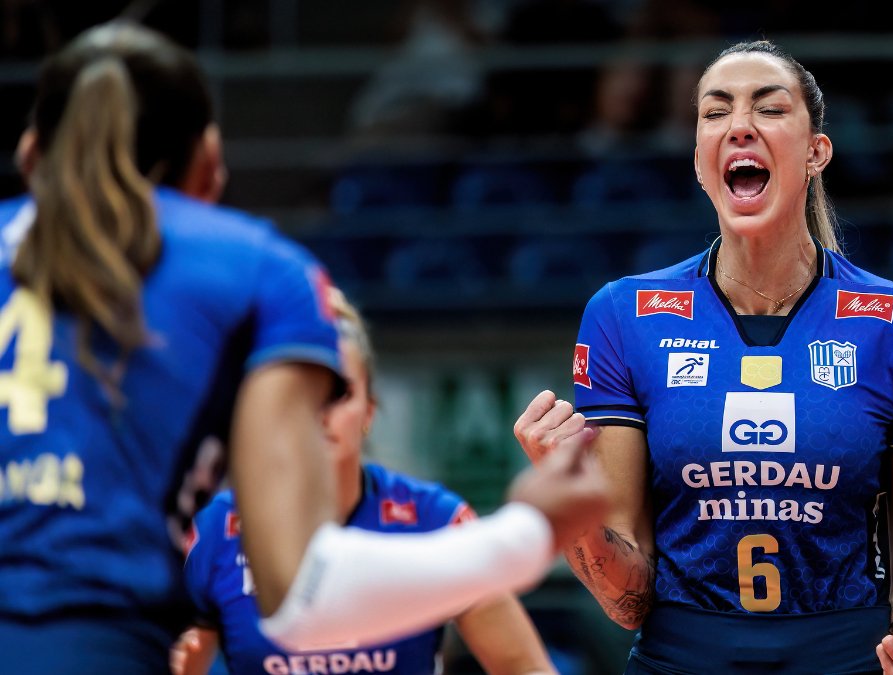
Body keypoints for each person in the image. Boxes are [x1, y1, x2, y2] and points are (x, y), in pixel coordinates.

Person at [0, 22, 607, 674]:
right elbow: (304, 601)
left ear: (33, 155)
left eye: (339, 394)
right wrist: (528, 530)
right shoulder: (259, 268)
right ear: (211, 165)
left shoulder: (422, 509)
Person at [515, 40, 893, 675]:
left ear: (816, 152)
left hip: (848, 662)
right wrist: (572, 502)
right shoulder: (622, 317)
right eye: (715, 112)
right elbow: (628, 600)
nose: (740, 126)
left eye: (770, 109)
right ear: (700, 160)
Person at [173, 288, 556, 675]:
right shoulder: (215, 530)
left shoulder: (434, 519)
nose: (320, 411)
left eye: (339, 392)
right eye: (303, 393)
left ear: (369, 412)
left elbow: (525, 667)